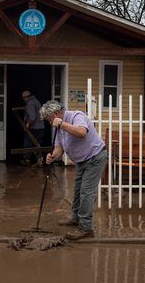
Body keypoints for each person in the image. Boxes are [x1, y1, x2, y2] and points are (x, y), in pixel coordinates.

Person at [40, 100, 107, 240]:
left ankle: (86, 228)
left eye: (48, 119)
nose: (48, 122)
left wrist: (61, 124)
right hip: (81, 161)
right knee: (77, 190)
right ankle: (75, 218)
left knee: (86, 192)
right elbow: (59, 149)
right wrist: (52, 156)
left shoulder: (77, 116)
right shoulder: (58, 127)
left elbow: (82, 132)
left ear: (56, 114)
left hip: (95, 157)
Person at [21, 90, 45, 167]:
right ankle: (40, 160)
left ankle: (27, 160)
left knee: (28, 144)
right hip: (40, 127)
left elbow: (32, 117)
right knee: (37, 144)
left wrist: (27, 126)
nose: (23, 100)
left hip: (34, 128)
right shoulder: (36, 101)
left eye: (23, 98)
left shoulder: (30, 104)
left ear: (26, 97)